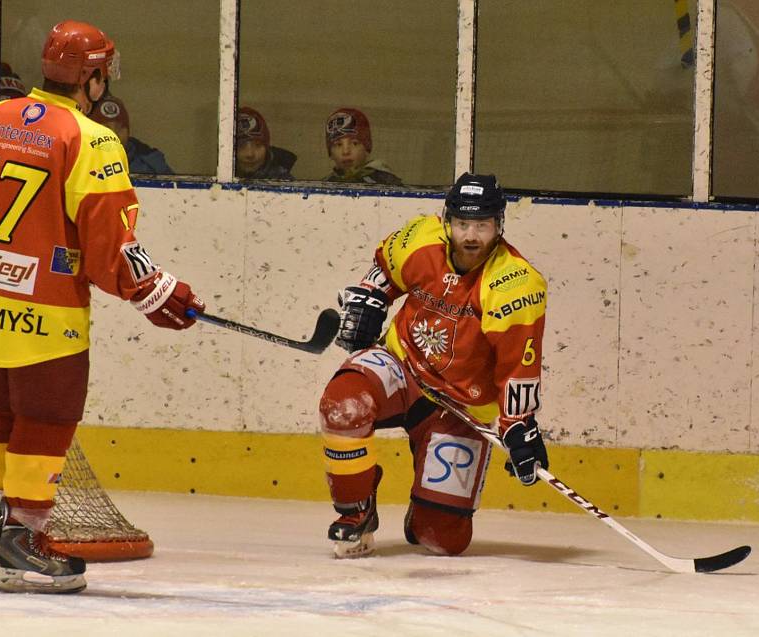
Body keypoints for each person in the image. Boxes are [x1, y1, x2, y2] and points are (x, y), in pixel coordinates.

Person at [0, 20, 205, 593]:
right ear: (90, 76)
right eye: (103, 70)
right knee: (44, 421)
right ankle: (19, 541)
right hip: (45, 312)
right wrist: (159, 291)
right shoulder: (91, 138)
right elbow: (112, 245)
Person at [320, 172, 548, 558]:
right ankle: (355, 511)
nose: (471, 236)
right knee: (344, 407)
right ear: (446, 221)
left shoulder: (515, 285)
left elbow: (517, 367)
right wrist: (371, 295)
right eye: (462, 224)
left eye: (482, 225)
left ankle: (426, 511)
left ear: (500, 225)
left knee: (442, 538)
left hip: (459, 408)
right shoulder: (421, 239)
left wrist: (520, 427)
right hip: (401, 364)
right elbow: (384, 273)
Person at [89, 94, 174, 175]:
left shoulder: (152, 164)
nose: (114, 134)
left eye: (121, 128)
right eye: (106, 129)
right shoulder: (81, 161)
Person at [322, 107, 403, 185]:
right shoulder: (323, 186)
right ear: (330, 153)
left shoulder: (386, 182)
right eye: (338, 145)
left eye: (355, 143)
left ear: (366, 148)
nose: (345, 151)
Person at [235, 106, 296, 179]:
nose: (250, 154)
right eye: (240, 146)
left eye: (258, 145)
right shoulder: (220, 178)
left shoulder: (284, 185)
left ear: (266, 148)